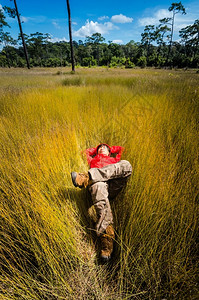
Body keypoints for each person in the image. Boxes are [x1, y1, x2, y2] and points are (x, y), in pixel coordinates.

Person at [71, 143, 132, 262]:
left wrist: (110, 148)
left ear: (110, 151)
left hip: (113, 184)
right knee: (98, 185)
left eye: (105, 148)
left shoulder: (114, 159)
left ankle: (87, 178)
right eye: (100, 148)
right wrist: (95, 150)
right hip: (100, 186)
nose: (102, 148)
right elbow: (84, 153)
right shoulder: (93, 159)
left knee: (126, 164)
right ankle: (107, 240)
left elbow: (122, 149)